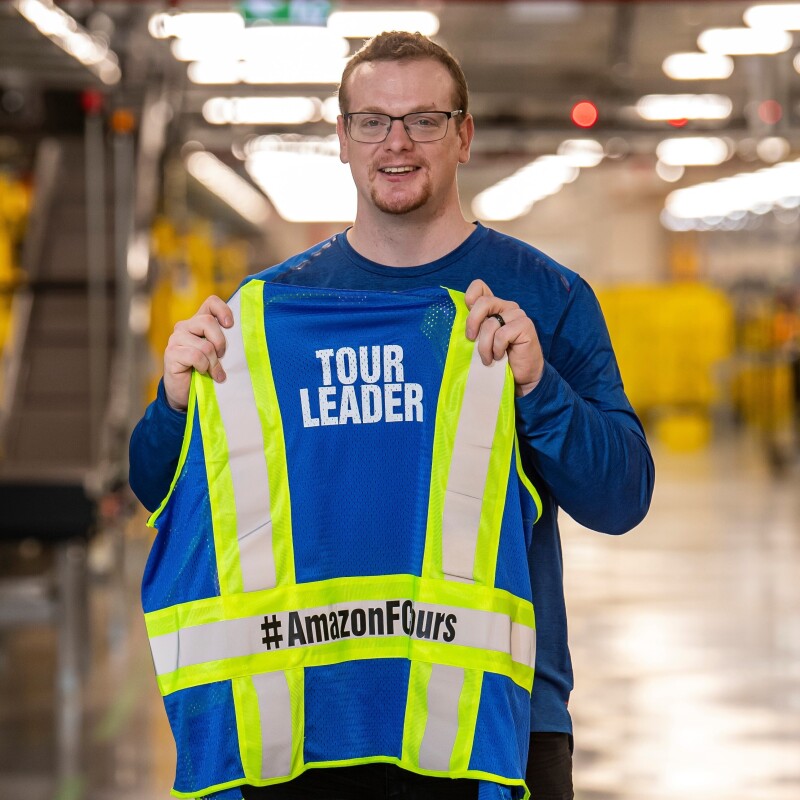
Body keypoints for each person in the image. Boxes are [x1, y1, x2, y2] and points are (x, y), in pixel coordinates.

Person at [130, 31, 655, 800]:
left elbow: (623, 497)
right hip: (308, 717)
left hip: (496, 716)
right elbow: (160, 491)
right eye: (373, 121)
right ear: (343, 139)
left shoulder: (548, 298)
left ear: (463, 135)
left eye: (424, 120)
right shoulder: (267, 313)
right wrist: (176, 404)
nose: (397, 142)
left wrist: (539, 389)